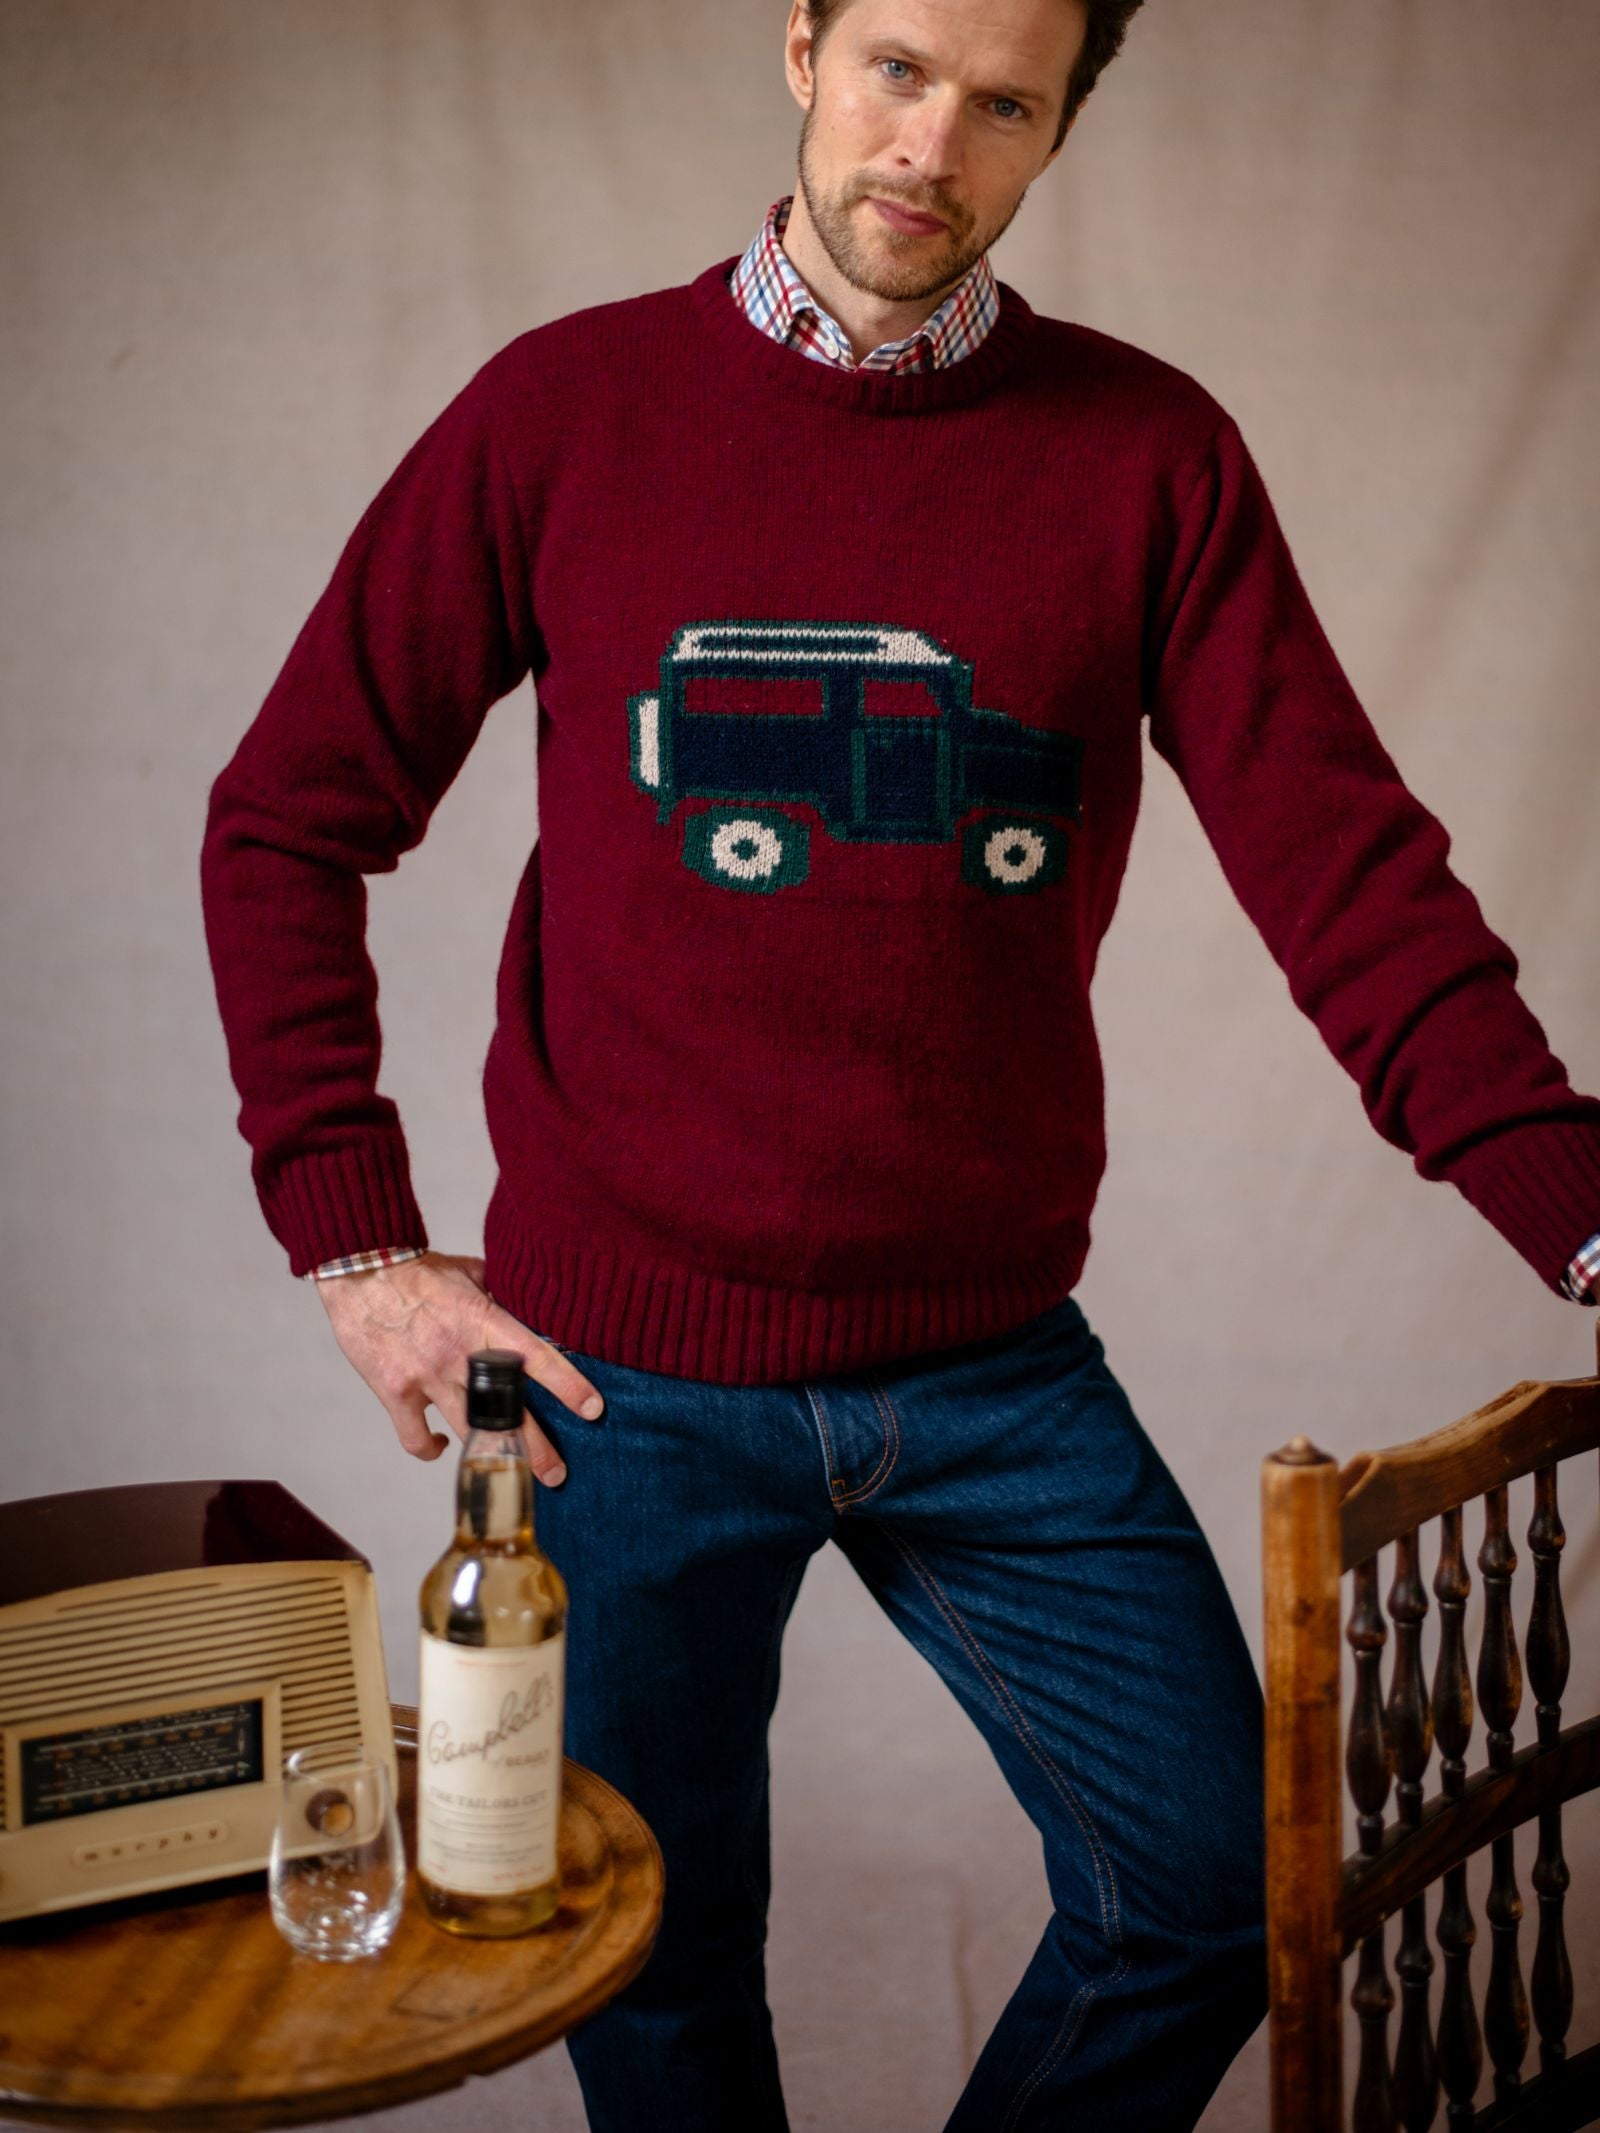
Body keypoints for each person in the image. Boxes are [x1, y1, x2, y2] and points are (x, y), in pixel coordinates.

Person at [200, 0, 1600, 2124]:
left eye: (1001, 101)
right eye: (895, 68)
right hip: (617, 1382)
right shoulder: (562, 410)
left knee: (1215, 1885)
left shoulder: (1149, 458)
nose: (928, 144)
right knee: (653, 1972)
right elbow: (289, 811)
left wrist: (1585, 1226)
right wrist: (358, 1245)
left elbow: (1360, 894)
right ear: (801, 46)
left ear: (1054, 128)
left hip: (988, 1367)